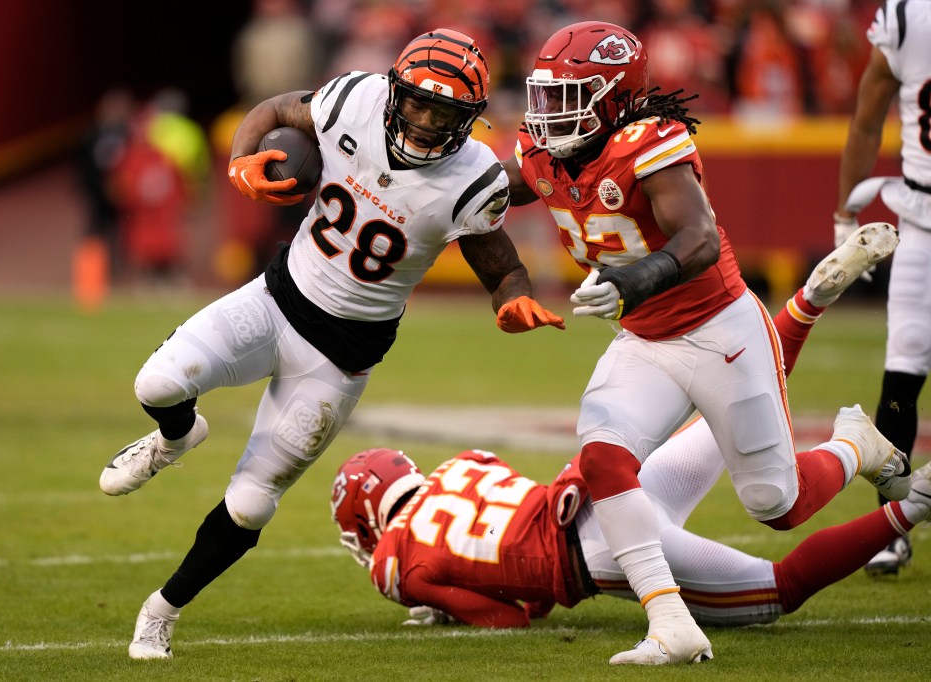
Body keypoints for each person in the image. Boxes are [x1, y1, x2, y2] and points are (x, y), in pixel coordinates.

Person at [98, 28, 564, 660]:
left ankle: (162, 610)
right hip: (275, 298)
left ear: (470, 119)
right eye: (418, 104)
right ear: (395, 92)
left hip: (340, 355)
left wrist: (512, 295)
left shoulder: (472, 177)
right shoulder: (358, 99)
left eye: (445, 112)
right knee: (156, 384)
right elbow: (273, 110)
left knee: (253, 503)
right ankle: (177, 437)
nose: (426, 122)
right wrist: (241, 157)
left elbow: (498, 261)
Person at [497, 21, 911, 665]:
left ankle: (854, 445)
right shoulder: (543, 150)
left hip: (720, 332)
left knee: (778, 504)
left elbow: (695, 238)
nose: (548, 113)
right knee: (603, 456)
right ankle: (670, 622)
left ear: (613, 97)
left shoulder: (650, 142)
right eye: (545, 95)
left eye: (568, 96)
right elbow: (485, 198)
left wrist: (634, 281)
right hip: (644, 340)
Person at [332, 233, 931, 636]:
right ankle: (804, 309)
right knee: (726, 403)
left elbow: (509, 618)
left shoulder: (394, 560)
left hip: (601, 554)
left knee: (781, 588)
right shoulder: (462, 466)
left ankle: (912, 503)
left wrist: (441, 602)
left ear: (366, 519)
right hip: (599, 487)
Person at [834, 0, 931, 577]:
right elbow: (868, 116)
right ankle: (891, 527)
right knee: (903, 368)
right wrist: (847, 213)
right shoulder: (908, 15)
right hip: (922, 218)